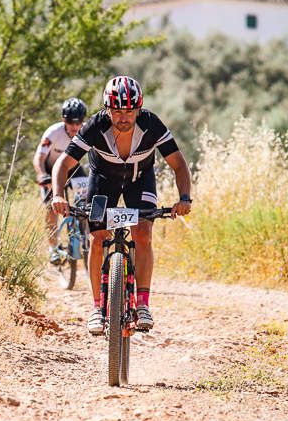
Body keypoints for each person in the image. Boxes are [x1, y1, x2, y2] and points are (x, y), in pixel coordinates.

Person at [50, 76, 192, 334]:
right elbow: (64, 163)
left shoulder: (151, 125)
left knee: (143, 234)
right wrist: (58, 195)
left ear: (139, 108)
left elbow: (178, 164)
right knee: (97, 237)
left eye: (129, 111)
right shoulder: (95, 126)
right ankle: (96, 307)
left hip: (141, 180)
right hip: (103, 181)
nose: (123, 117)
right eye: (116, 111)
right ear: (107, 109)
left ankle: (143, 304)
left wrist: (184, 198)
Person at [32, 97, 88, 264]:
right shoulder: (53, 133)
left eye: (79, 123)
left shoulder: (86, 131)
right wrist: (42, 174)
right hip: (51, 170)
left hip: (74, 169)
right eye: (71, 122)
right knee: (51, 208)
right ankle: (53, 248)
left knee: (88, 200)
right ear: (64, 120)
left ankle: (84, 234)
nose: (75, 127)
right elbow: (39, 158)